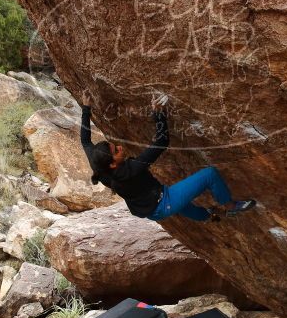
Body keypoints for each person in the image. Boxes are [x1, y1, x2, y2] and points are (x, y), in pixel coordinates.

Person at [80, 92, 255, 222]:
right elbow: (162, 142)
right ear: (112, 164)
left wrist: (86, 108)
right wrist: (158, 114)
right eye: (116, 151)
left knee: (184, 204)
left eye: (114, 145)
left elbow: (86, 141)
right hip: (163, 202)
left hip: (151, 208)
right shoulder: (132, 170)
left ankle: (208, 217)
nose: (120, 147)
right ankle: (230, 207)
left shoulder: (100, 169)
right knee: (210, 174)